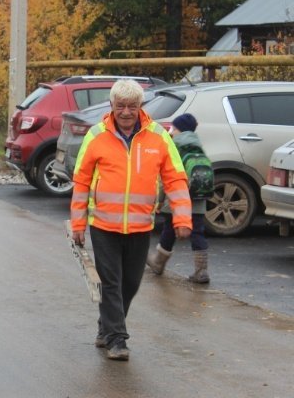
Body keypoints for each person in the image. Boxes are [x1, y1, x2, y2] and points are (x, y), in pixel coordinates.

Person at [70, 79, 192, 361]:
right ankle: (117, 339)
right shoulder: (96, 135)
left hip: (140, 225)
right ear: (112, 106)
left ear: (141, 107)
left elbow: (175, 179)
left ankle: (106, 325)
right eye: (121, 106)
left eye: (132, 106)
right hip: (103, 225)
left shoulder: (158, 137)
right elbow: (81, 182)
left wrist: (182, 217)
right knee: (111, 282)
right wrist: (78, 224)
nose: (126, 112)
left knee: (131, 284)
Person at [146, 113, 210, 283]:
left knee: (169, 230)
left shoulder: (174, 146)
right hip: (198, 197)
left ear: (178, 129)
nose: (171, 131)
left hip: (176, 198)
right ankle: (201, 271)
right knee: (198, 231)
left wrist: (159, 200)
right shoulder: (198, 145)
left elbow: (163, 178)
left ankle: (158, 263)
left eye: (173, 128)